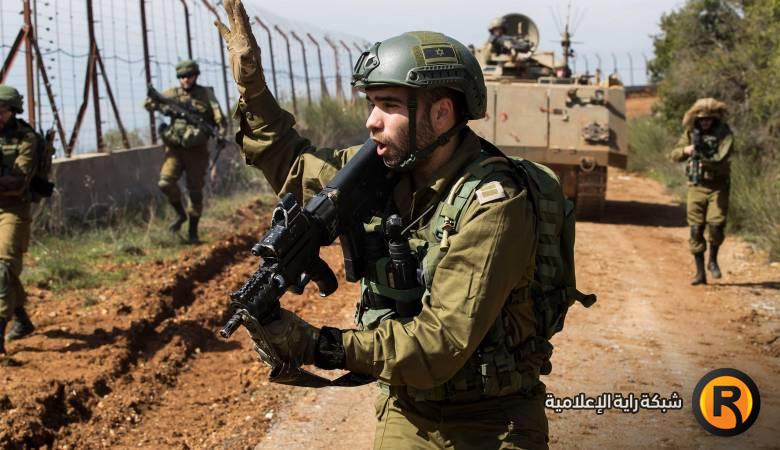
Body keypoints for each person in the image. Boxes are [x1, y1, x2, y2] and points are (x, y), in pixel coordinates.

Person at [217, 1, 549, 449]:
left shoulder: (495, 203)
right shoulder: (385, 169)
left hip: (491, 422)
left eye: (388, 105)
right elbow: (293, 164)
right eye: (372, 103)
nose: (371, 122)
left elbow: (441, 342)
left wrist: (320, 345)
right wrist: (252, 86)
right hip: (407, 407)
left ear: (441, 113)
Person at [144, 59, 226, 244]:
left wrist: (220, 134)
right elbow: (149, 104)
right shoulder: (172, 93)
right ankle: (180, 214)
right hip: (175, 147)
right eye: (181, 77)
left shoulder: (205, 94)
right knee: (165, 183)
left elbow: (219, 117)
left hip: (196, 150)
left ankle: (193, 232)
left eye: (188, 76)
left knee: (195, 192)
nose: (185, 80)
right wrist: (165, 107)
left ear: (196, 76)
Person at [670, 98, 733, 285]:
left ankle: (712, 260)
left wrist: (702, 154)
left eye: (708, 119)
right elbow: (674, 154)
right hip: (697, 185)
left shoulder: (724, 134)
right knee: (696, 229)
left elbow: (721, 157)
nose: (705, 122)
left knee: (716, 226)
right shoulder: (691, 134)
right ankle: (700, 273)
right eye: (702, 119)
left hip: (718, 186)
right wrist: (687, 150)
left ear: (714, 119)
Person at [0, 85, 38, 355]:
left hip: (13, 209)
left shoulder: (26, 138)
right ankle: (22, 318)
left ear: (12, 110)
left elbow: (18, 183)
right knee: (6, 273)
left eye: (1, 110)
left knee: (2, 267)